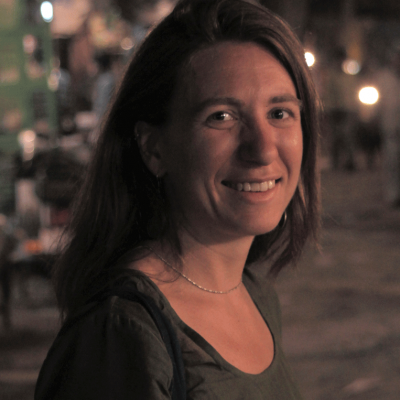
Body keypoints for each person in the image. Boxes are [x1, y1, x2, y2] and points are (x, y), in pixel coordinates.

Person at [35, 0, 320, 398]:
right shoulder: (124, 334)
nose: (263, 149)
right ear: (154, 149)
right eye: (221, 116)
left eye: (280, 113)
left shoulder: (255, 294)